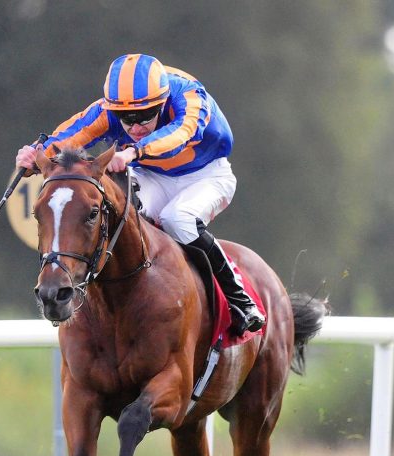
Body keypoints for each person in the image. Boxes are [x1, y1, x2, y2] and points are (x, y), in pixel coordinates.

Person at [16, 53, 264, 334]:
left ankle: (238, 298)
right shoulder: (109, 108)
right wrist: (35, 155)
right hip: (152, 174)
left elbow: (181, 133)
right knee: (120, 209)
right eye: (126, 118)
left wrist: (135, 151)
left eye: (144, 116)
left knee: (177, 219)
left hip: (205, 175)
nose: (134, 126)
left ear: (162, 103)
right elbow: (74, 134)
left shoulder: (190, 96)